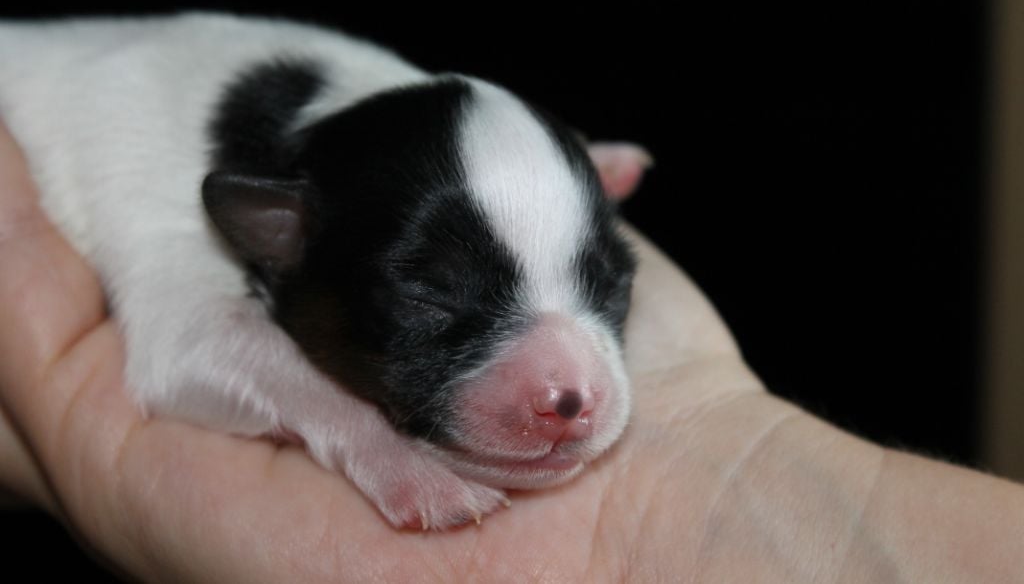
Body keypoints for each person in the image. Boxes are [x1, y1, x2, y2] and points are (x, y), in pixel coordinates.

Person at [0, 120, 1021, 583]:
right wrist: (368, 443)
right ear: (281, 236)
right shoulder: (188, 152)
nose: (569, 392)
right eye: (435, 293)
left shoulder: (378, 151)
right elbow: (174, 354)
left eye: (598, 279)